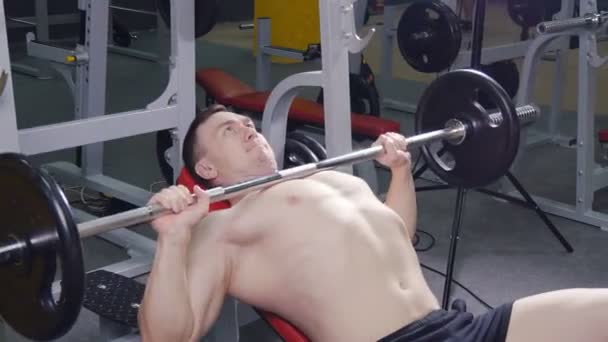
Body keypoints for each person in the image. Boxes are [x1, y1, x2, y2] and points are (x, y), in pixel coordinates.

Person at [138, 104, 608, 342]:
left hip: (458, 327)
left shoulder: (325, 178)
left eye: (247, 123)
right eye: (228, 130)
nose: (248, 128)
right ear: (206, 170)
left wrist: (400, 172)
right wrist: (174, 240)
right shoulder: (223, 230)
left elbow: (396, 239)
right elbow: (169, 336)